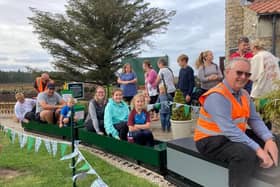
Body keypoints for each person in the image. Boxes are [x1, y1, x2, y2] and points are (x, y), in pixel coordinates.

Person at [194, 57, 278, 187]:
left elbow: (254, 119)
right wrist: (258, 150)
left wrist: (268, 139)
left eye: (247, 74)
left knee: (276, 140)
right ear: (227, 72)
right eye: (239, 72)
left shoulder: (244, 93)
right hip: (209, 140)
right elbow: (229, 130)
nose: (243, 77)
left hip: (233, 136)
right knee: (244, 154)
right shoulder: (217, 96)